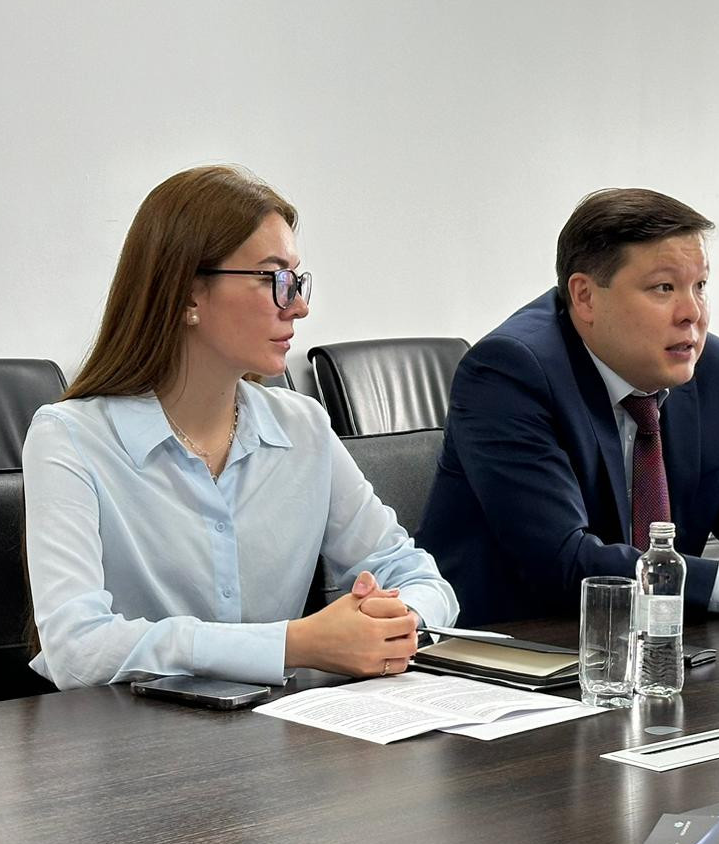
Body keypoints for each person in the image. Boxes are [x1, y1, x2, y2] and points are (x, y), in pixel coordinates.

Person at [23, 165, 456, 689]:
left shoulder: (304, 427)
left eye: (296, 280)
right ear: (188, 294)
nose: (299, 306)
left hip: (281, 728)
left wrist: (396, 620)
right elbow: (75, 648)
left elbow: (415, 575)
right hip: (130, 737)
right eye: (273, 279)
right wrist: (292, 643)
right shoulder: (68, 438)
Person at [417, 187, 719, 627]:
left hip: (661, 645)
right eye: (664, 288)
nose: (692, 313)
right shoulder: (510, 372)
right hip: (513, 649)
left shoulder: (715, 370)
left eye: (700, 286)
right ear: (585, 297)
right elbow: (563, 561)